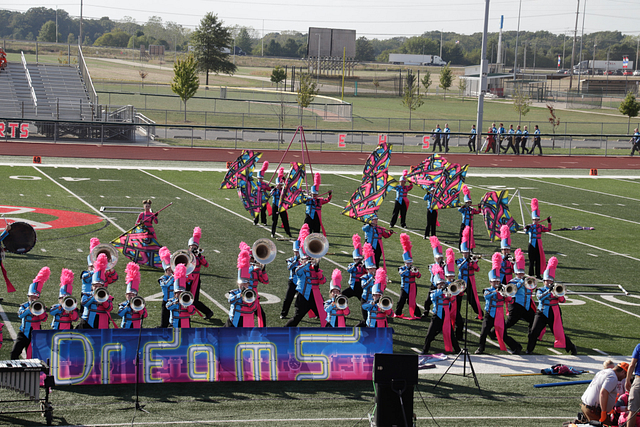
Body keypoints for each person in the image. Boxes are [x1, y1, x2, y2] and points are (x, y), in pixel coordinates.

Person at [526, 257, 577, 355]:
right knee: (534, 331)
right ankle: (529, 349)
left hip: (554, 313)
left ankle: (571, 347)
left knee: (558, 332)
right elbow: (540, 297)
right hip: (541, 312)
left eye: (550, 281)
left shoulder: (556, 289)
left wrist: (559, 294)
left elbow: (563, 301)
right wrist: (549, 291)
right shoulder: (540, 289)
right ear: (544, 281)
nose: (549, 283)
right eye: (547, 281)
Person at [475, 253, 522, 355]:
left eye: (497, 281)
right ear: (490, 282)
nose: (496, 283)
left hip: (499, 315)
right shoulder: (487, 290)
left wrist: (505, 294)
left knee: (503, 335)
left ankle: (517, 346)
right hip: (489, 314)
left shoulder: (503, 290)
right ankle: (481, 348)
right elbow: (487, 296)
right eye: (494, 282)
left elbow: (510, 301)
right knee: (483, 332)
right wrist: (497, 291)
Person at [285, 226, 327, 327]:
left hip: (314, 297)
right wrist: (307, 263)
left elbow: (323, 281)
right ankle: (284, 331)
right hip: (303, 296)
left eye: (308, 258)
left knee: (325, 316)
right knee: (297, 318)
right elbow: (297, 271)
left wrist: (317, 269)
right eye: (305, 259)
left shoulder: (314, 269)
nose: (307, 260)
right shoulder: (300, 268)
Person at [11, 267, 50, 359]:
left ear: (38, 298)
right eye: (31, 296)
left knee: (32, 356)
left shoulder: (41, 306)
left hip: (35, 334)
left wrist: (40, 310)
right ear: (28, 296)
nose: (33, 298)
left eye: (35, 297)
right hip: (23, 332)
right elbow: (20, 315)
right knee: (14, 353)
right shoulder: (24, 306)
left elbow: (44, 319)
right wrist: (29, 309)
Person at [421, 264, 460, 354]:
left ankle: (458, 350)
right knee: (430, 334)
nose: (442, 285)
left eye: (443, 284)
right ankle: (425, 350)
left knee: (451, 334)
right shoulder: (434, 292)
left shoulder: (447, 292)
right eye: (440, 284)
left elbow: (453, 300)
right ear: (437, 285)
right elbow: (433, 297)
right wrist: (441, 291)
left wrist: (450, 296)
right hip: (437, 316)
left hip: (446, 316)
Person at [77, 253, 114, 329]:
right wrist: (94, 296)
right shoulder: (86, 294)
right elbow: (84, 303)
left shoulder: (107, 297)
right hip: (87, 323)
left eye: (99, 286)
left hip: (102, 324)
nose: (97, 288)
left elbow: (109, 308)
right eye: (95, 286)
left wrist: (103, 300)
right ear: (92, 286)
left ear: (103, 287)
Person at [504, 248, 536, 335]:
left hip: (526, 306)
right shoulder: (512, 281)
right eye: (519, 273)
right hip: (516, 305)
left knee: (533, 320)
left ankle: (531, 335)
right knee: (509, 323)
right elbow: (513, 290)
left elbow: (531, 289)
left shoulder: (526, 280)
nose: (521, 275)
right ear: (516, 273)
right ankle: (494, 332)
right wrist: (521, 282)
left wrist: (532, 285)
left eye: (522, 273)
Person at [226, 249, 259, 327]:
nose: (243, 285)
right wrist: (240, 295)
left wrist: (248, 299)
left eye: (245, 283)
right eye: (241, 283)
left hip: (247, 321)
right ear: (238, 284)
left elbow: (254, 308)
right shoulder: (234, 292)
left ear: (248, 284)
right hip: (234, 320)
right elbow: (230, 300)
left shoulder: (252, 294)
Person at [187, 227, 214, 320]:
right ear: (189, 247)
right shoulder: (186, 255)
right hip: (186, 279)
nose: (194, 248)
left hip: (196, 279)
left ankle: (208, 312)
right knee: (184, 297)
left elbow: (206, 265)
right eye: (192, 247)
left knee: (194, 300)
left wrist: (199, 256)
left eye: (195, 247)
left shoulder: (199, 256)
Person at [457, 226, 482, 320]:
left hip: (470, 282)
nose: (466, 254)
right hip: (461, 281)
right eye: (465, 253)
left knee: (472, 299)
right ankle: (457, 314)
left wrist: (473, 262)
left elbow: (477, 269)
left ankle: (480, 313)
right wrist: (466, 261)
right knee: (458, 298)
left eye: (467, 253)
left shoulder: (472, 260)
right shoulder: (459, 260)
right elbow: (460, 267)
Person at [395, 233, 421, 319]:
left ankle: (418, 314)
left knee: (411, 301)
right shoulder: (402, 268)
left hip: (413, 287)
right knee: (401, 301)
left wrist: (416, 271)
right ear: (405, 262)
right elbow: (401, 274)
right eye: (408, 263)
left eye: (410, 262)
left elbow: (419, 276)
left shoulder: (413, 268)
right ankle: (397, 313)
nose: (409, 264)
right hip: (404, 286)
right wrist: (408, 269)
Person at [525, 198, 552, 279]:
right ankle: (530, 274)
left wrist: (549, 222)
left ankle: (538, 274)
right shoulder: (531, 227)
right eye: (534, 220)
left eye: (537, 220)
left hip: (538, 245)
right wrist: (527, 228)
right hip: (531, 245)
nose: (536, 221)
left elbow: (548, 229)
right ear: (532, 220)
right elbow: (526, 232)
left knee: (538, 260)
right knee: (531, 260)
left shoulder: (540, 227)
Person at [117, 262, 148, 328]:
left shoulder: (140, 304)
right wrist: (127, 307)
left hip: (136, 327)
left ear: (136, 295)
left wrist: (139, 308)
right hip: (126, 327)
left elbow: (145, 315)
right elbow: (120, 314)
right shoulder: (123, 304)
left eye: (132, 295)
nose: (130, 296)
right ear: (126, 296)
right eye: (129, 295)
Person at [167, 264, 196, 328]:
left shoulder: (188, 300)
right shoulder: (172, 300)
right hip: (174, 323)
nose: (179, 294)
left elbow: (192, 312)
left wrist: (188, 305)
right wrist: (176, 301)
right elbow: (168, 307)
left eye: (181, 292)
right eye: (178, 292)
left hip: (185, 324)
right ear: (175, 293)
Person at [422, 236, 444, 317]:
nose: (439, 259)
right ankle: (426, 310)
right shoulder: (432, 265)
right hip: (434, 285)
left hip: (441, 285)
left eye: (441, 258)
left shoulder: (444, 266)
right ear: (435, 258)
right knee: (428, 300)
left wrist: (443, 266)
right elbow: (433, 270)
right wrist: (440, 266)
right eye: (438, 258)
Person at [280, 238, 301, 319]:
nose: (297, 253)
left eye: (298, 251)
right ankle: (283, 313)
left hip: (301, 282)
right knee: (288, 298)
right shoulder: (290, 259)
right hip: (292, 282)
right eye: (295, 251)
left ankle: (317, 313)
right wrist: (296, 260)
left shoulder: (303, 261)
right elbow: (289, 267)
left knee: (307, 299)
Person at [342, 234, 366, 301]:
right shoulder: (351, 265)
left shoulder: (363, 266)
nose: (357, 260)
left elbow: (367, 272)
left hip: (360, 287)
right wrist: (356, 265)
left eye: (359, 259)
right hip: (352, 286)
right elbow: (349, 270)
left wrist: (364, 265)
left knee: (363, 301)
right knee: (341, 295)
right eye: (356, 259)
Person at [270, 167, 292, 238]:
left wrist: (285, 180)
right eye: (279, 184)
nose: (280, 186)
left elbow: (288, 189)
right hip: (275, 206)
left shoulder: (283, 190)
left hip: (282, 206)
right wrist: (275, 189)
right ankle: (273, 233)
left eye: (281, 185)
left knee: (285, 220)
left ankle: (288, 232)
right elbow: (271, 194)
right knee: (275, 220)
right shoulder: (274, 190)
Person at [458, 185, 481, 251]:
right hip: (464, 224)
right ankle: (460, 248)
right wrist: (464, 206)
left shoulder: (472, 209)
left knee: (470, 237)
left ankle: (470, 248)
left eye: (470, 202)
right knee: (461, 236)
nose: (469, 203)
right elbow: (459, 209)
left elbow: (478, 212)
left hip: (470, 225)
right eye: (468, 202)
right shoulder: (464, 209)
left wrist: (479, 207)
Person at [157, 247, 173, 328]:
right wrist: (173, 277)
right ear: (166, 271)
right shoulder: (162, 278)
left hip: (174, 301)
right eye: (168, 270)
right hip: (166, 300)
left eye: (171, 270)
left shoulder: (175, 277)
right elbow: (165, 284)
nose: (170, 272)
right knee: (164, 320)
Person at [626, 343, 640, 427]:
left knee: (633, 411)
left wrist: (628, 380)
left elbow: (632, 364)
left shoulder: (639, 346)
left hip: (639, 380)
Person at [253, 161, 271, 226]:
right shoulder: (255, 184)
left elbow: (269, 189)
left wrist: (271, 188)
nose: (260, 179)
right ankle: (255, 221)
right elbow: (253, 190)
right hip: (257, 199)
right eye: (259, 178)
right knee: (256, 211)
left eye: (261, 178)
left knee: (263, 211)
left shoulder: (265, 184)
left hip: (263, 199)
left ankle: (264, 221)